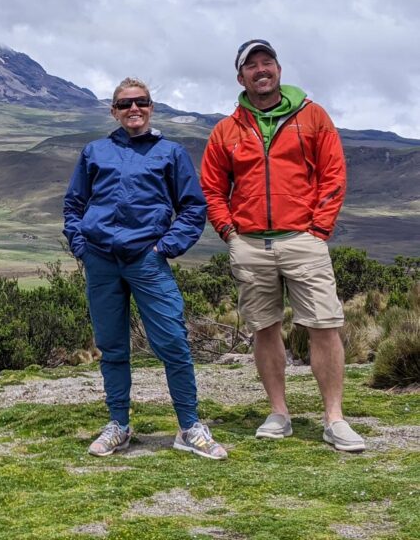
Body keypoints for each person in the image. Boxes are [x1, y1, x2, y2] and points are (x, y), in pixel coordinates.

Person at [200, 39, 365, 452]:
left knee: (324, 325)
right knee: (264, 328)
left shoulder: (313, 117)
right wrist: (229, 233)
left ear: (278, 68)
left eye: (266, 61)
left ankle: (334, 418)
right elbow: (212, 189)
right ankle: (279, 413)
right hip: (251, 244)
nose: (261, 69)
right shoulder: (227, 129)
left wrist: (318, 229)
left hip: (303, 240)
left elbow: (333, 175)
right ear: (241, 77)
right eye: (251, 65)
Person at [63, 77, 227, 460]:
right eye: (124, 104)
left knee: (173, 341)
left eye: (141, 102)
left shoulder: (170, 153)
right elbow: (74, 205)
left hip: (146, 260)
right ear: (113, 110)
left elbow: (192, 207)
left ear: (151, 107)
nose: (133, 109)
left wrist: (165, 247)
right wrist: (80, 245)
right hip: (101, 260)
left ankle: (189, 426)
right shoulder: (95, 152)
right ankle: (118, 425)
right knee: (112, 346)